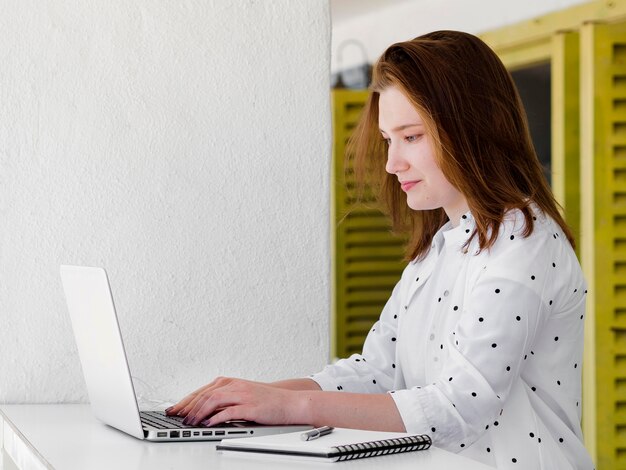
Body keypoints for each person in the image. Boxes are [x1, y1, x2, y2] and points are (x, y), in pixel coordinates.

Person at [167, 30, 593, 469]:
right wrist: (255, 399)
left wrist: (290, 408)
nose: (392, 164)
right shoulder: (439, 248)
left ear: (472, 127)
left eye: (411, 137)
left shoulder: (523, 241)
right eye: (389, 140)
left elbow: (461, 407)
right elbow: (378, 372)